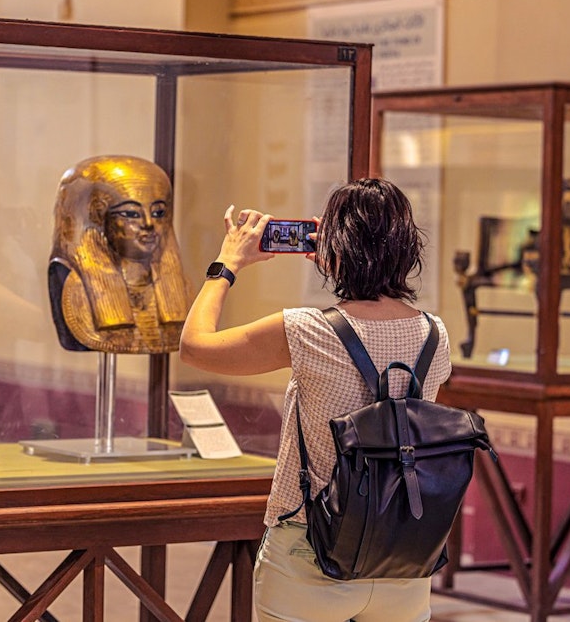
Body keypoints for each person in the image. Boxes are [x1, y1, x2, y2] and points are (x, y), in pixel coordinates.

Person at [179, 178, 452, 622]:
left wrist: (226, 264)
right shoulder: (434, 335)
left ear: (336, 247)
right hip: (403, 552)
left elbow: (194, 346)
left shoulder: (309, 329)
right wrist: (347, 263)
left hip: (312, 548)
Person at [48, 155, 190, 354]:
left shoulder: (184, 289)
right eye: (131, 214)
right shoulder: (73, 286)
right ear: (97, 219)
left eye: (158, 213)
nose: (149, 223)